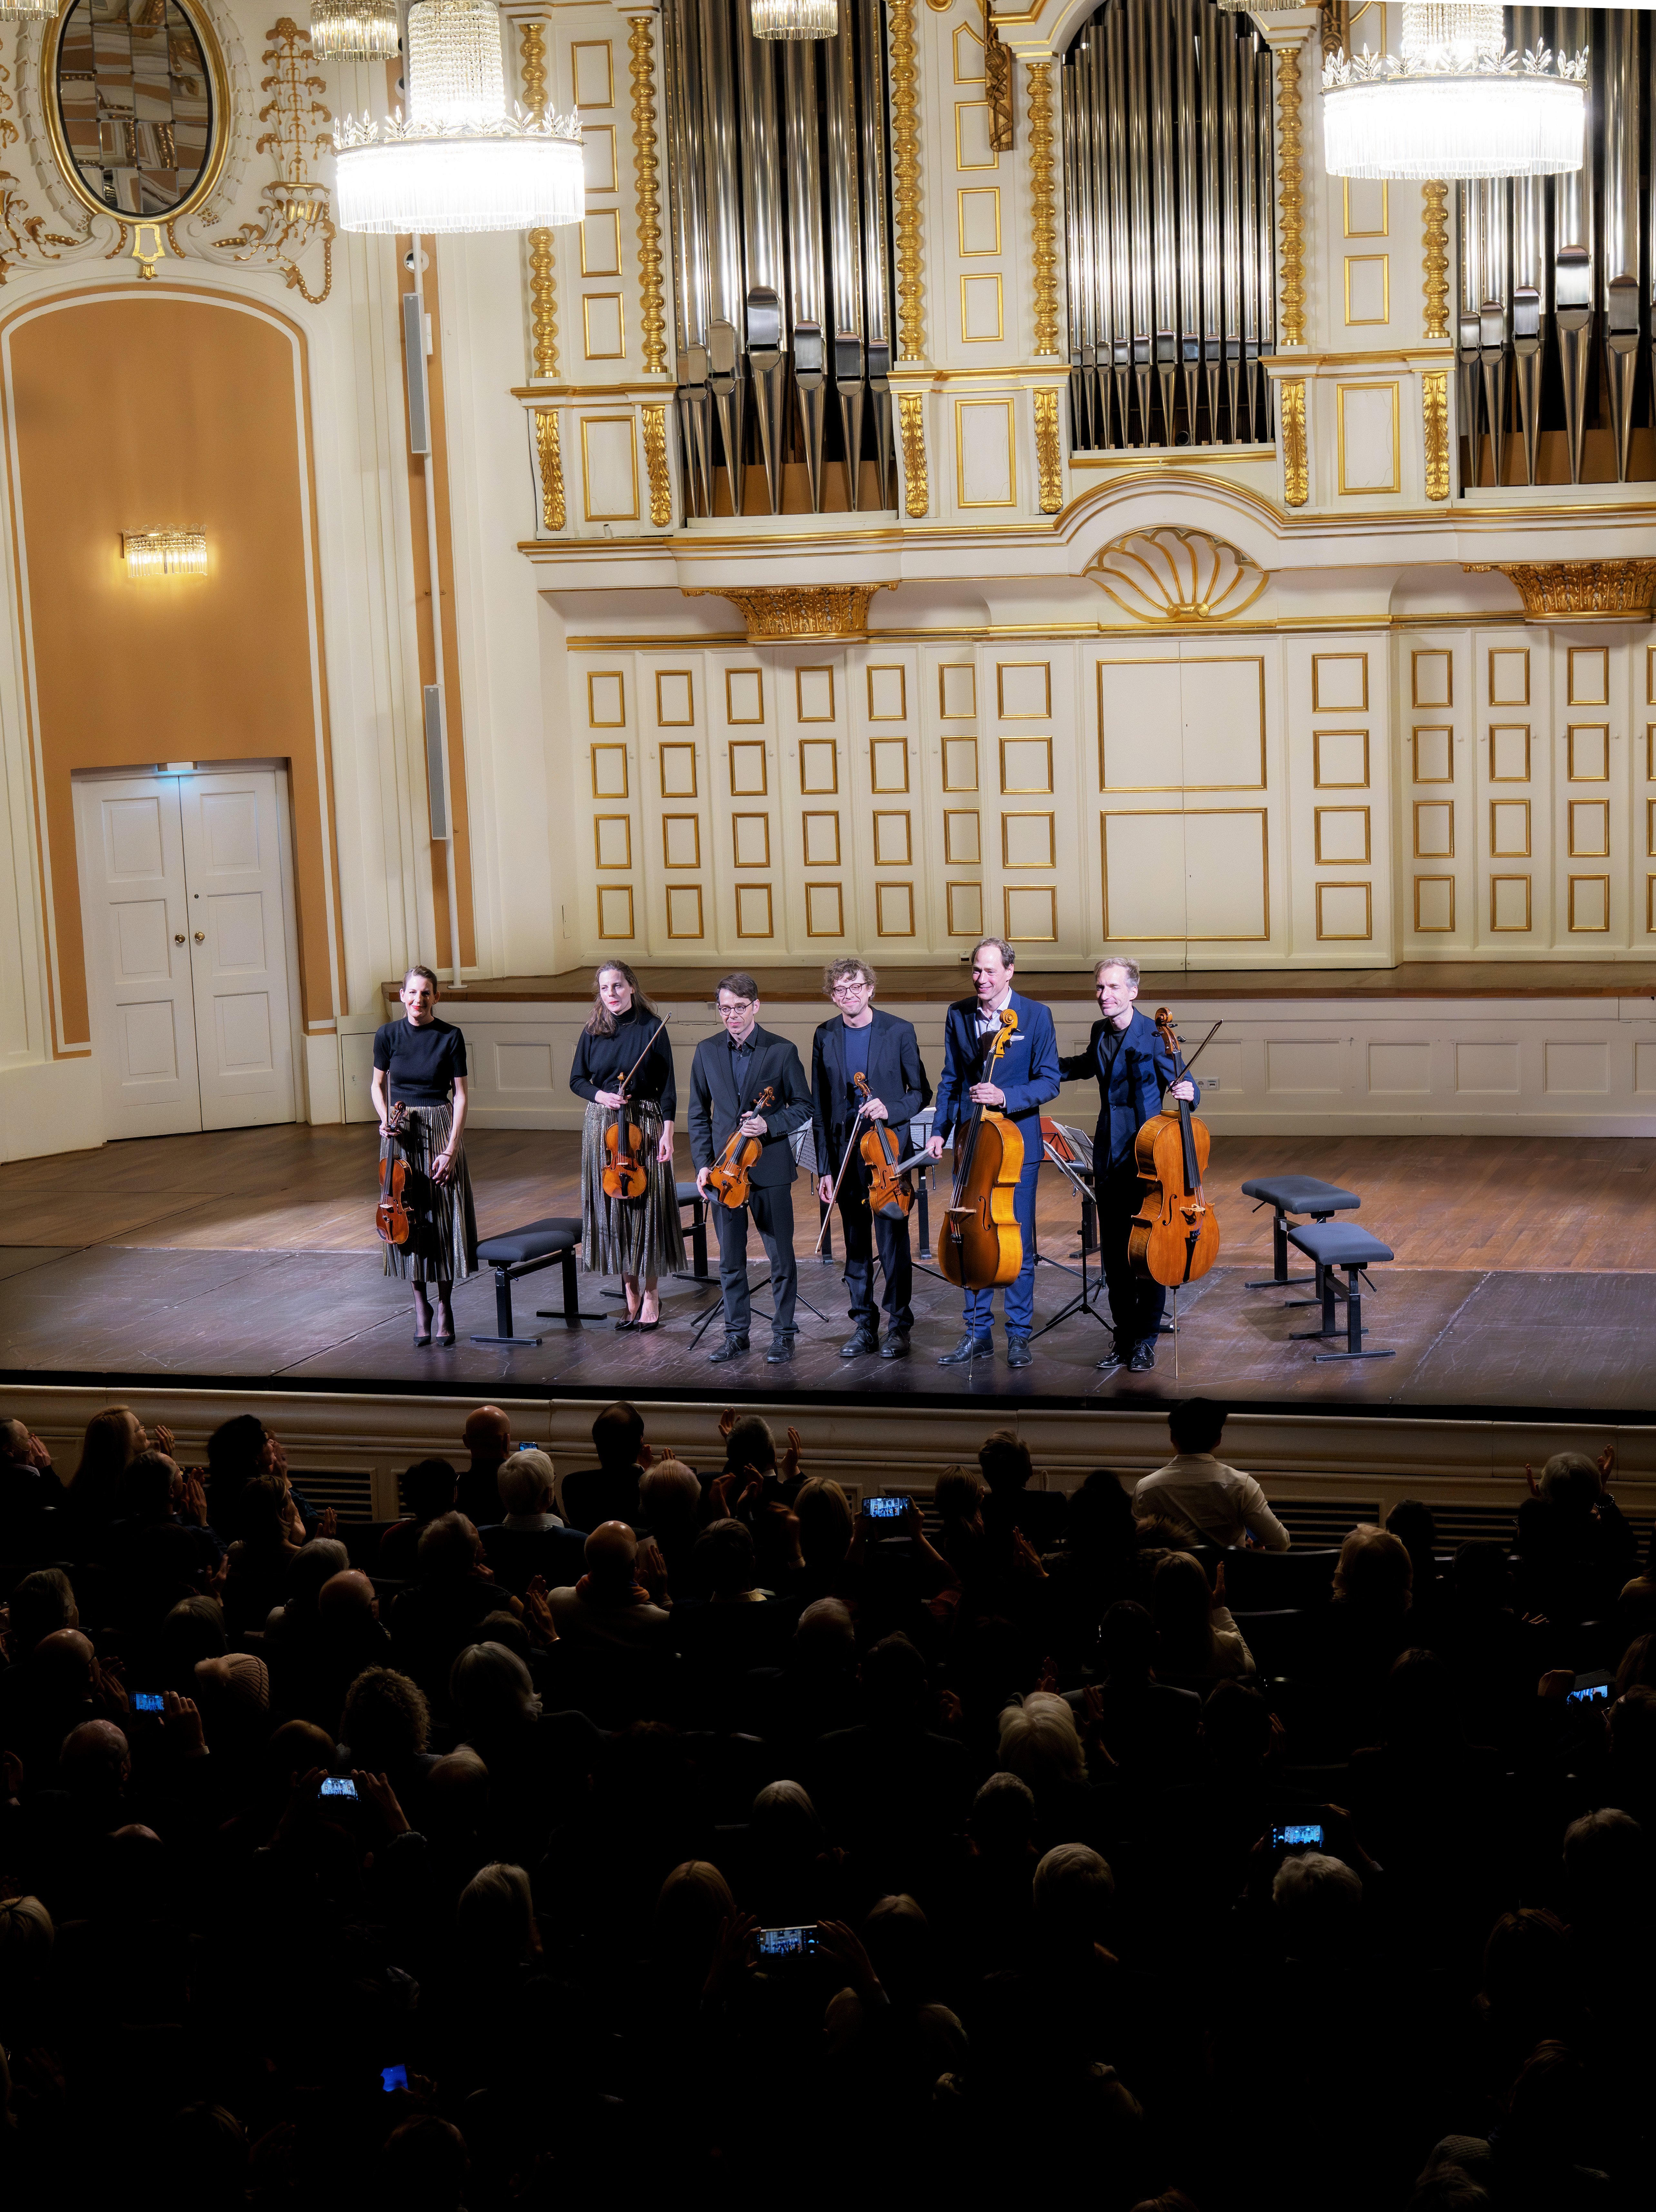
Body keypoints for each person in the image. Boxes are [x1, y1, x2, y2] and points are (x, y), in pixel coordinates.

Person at [925, 937, 1061, 1370]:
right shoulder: (959, 1014)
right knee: (971, 1234)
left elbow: (1049, 1082)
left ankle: (1019, 1335)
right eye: (976, 971)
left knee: (1015, 1240)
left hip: (1015, 1143)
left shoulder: (1036, 1016)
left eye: (989, 971)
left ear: (1009, 971)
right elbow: (951, 1078)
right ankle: (977, 1332)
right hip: (971, 1141)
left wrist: (1006, 1095)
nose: (981, 979)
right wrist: (939, 1131)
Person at [1056, 955, 1196, 1373]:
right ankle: (1122, 1337)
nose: (1104, 995)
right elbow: (1084, 1066)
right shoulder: (1100, 1031)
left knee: (1147, 1254)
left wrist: (1188, 1090)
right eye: (1100, 987)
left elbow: (1184, 1083)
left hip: (1147, 1157)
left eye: (1113, 987)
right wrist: (1043, 1068)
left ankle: (1146, 1340)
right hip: (1108, 1156)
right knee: (1115, 1257)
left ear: (1133, 992)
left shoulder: (1155, 1035)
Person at [810, 956, 931, 1361]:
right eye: (840, 990)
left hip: (888, 1154)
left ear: (870, 989)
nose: (848, 996)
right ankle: (864, 1325)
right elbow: (821, 1106)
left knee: (893, 1243)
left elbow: (920, 1092)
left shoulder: (899, 1031)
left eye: (855, 987)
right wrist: (824, 1168)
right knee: (856, 1244)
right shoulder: (824, 1035)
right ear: (832, 996)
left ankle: (899, 1325)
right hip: (846, 1153)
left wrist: (890, 1109)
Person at [689, 971, 812, 1365]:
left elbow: (803, 1107)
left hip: (769, 1171)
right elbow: (697, 1115)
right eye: (724, 1009)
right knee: (730, 1261)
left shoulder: (781, 1051)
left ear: (756, 1006)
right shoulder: (706, 1051)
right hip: (725, 1175)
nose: (732, 1016)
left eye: (739, 1008)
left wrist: (768, 1124)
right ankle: (736, 1335)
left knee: (781, 1259)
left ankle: (783, 1335)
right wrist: (704, 1165)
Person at [569, 960, 684, 1331]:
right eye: (605, 989)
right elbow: (577, 1080)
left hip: (645, 1124)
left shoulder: (652, 1027)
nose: (612, 995)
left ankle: (651, 1295)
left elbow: (667, 1086)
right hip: (603, 1127)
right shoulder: (593, 1029)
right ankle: (629, 1292)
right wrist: (601, 1095)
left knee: (647, 1210)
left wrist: (668, 1131)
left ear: (631, 987)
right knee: (614, 1210)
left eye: (618, 986)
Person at [371, 962, 478, 1348]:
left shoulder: (451, 1036)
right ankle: (421, 1306)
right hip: (401, 1131)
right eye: (412, 992)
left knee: (443, 1217)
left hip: (438, 1128)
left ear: (437, 997)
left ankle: (446, 1305)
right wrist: (386, 1120)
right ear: (402, 996)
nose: (419, 999)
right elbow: (377, 1084)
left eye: (426, 993)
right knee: (408, 1218)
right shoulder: (387, 1035)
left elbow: (461, 1095)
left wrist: (451, 1148)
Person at [1133, 1399, 1290, 1550]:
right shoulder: (1242, 1485)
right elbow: (1280, 1544)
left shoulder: (1146, 1488)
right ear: (1218, 1440)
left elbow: (1138, 1546)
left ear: (1173, 1437)